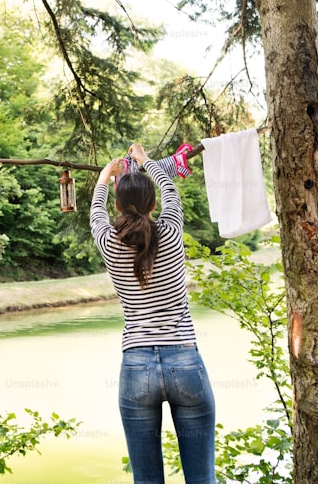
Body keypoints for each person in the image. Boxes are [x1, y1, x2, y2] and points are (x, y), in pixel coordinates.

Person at [90, 143, 216, 484]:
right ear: (154, 204)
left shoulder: (108, 242)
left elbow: (96, 214)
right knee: (202, 479)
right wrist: (146, 162)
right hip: (185, 362)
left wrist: (105, 177)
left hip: (136, 367)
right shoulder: (172, 233)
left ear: (117, 204)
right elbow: (170, 189)